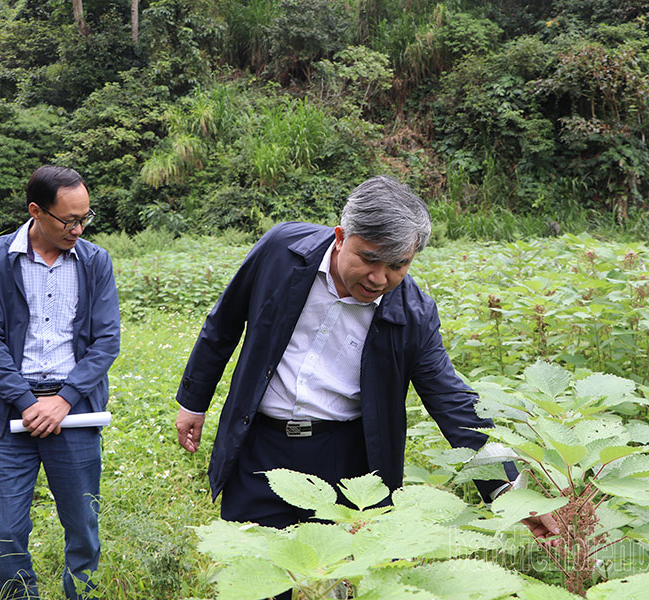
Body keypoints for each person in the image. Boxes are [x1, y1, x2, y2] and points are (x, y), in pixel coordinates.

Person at [174, 175, 558, 538]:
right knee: (253, 570)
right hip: (259, 445)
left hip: (346, 461)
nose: (379, 278)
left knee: (343, 573)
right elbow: (224, 323)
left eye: (397, 265)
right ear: (341, 237)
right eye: (370, 259)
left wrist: (513, 493)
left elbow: (452, 402)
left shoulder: (412, 314)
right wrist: (194, 401)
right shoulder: (282, 251)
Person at [0, 166, 121, 599]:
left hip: (75, 411)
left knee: (82, 524)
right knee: (5, 531)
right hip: (8, 413)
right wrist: (25, 400)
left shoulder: (95, 261)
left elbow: (107, 340)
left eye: (84, 218)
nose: (78, 228)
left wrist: (64, 400)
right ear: (36, 211)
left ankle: (80, 594)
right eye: (68, 220)